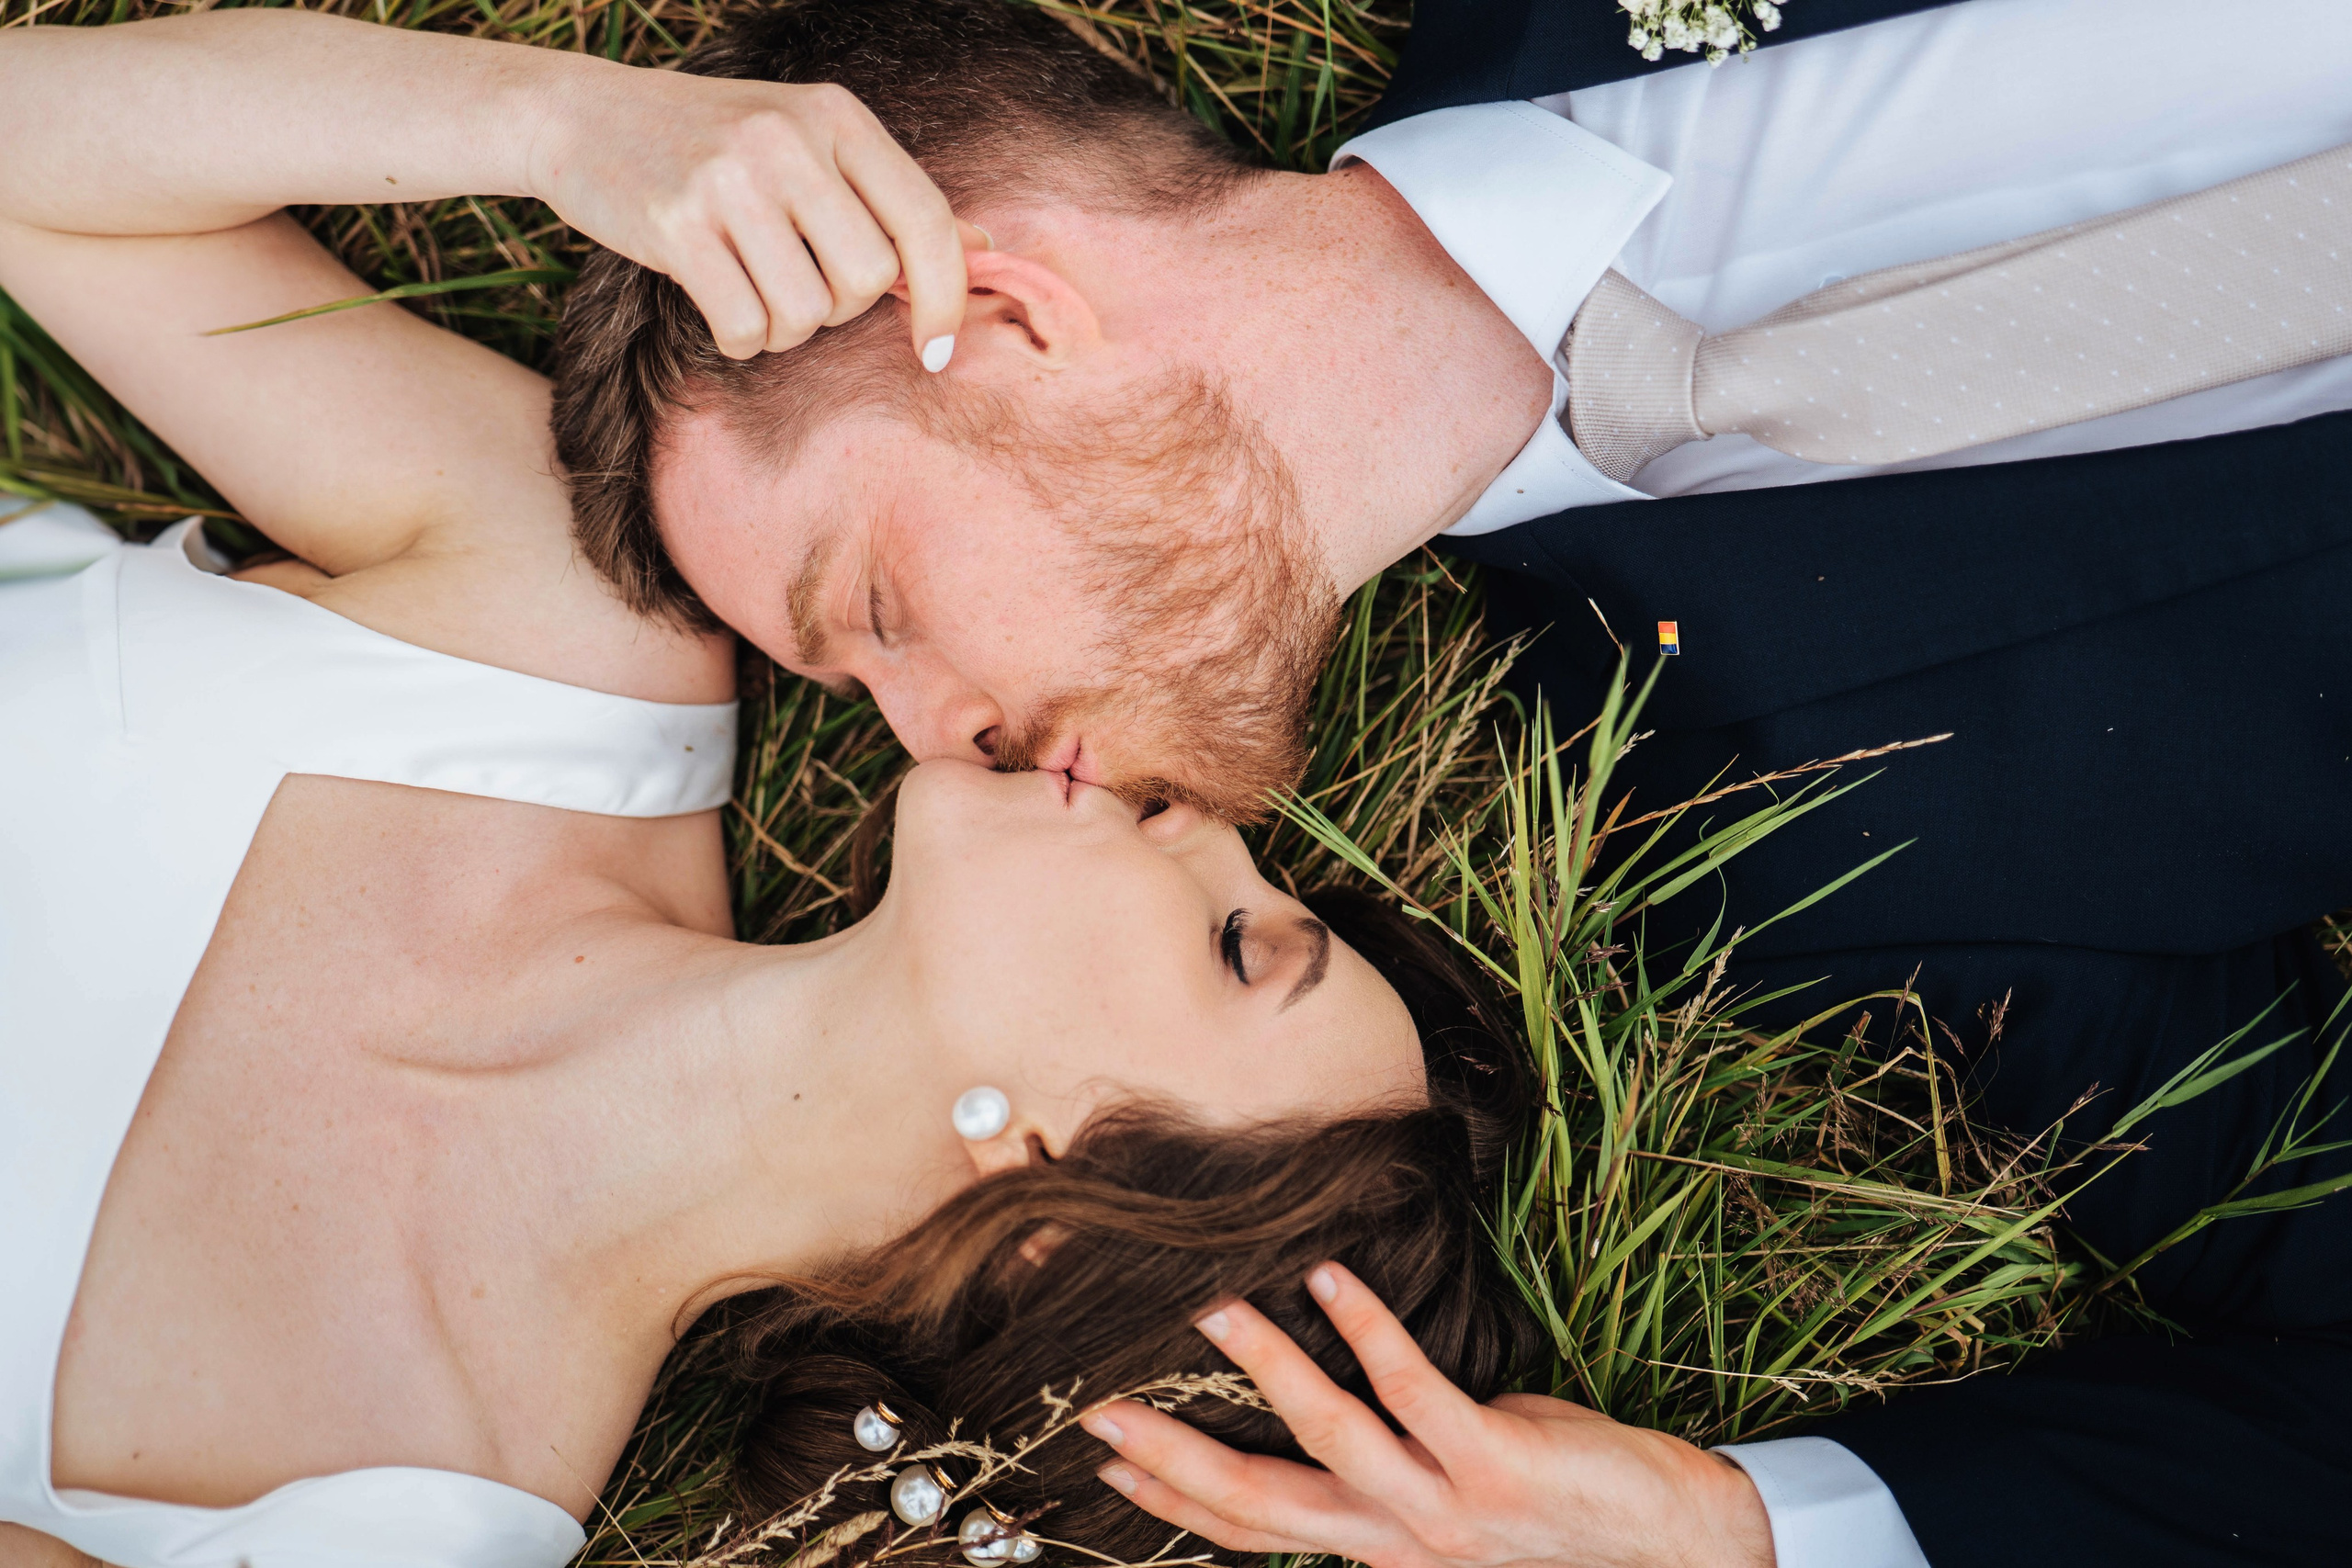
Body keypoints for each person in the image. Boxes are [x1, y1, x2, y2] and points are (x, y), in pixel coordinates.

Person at [542, 0, 2352, 1562]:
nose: (938, 741)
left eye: (871, 611)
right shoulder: (1787, 833)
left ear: (1008, 318)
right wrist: (1734, 1532)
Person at [0, 17, 1566, 1566]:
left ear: (1040, 1207)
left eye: (1238, 948)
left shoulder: (374, 1524)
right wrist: (560, 129)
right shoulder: (566, 662)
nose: (1210, 822)